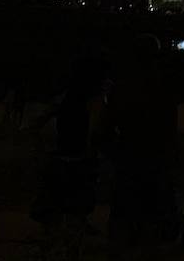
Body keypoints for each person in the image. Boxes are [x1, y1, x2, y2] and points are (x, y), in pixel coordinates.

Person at [103, 34, 180, 258]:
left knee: (125, 220)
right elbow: (170, 127)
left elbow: (105, 128)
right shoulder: (164, 88)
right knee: (153, 220)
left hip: (130, 157)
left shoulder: (124, 87)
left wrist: (115, 153)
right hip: (155, 160)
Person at [32, 52, 110, 261]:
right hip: (80, 163)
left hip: (59, 160)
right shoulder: (95, 100)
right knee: (75, 215)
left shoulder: (66, 96)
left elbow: (37, 122)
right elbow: (94, 132)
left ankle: (50, 250)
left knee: (53, 214)